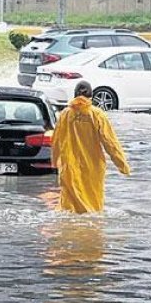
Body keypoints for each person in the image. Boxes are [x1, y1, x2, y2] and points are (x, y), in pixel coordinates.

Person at [50, 81, 131, 214]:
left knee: (69, 207)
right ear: (91, 96)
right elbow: (110, 142)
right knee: (93, 207)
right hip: (93, 168)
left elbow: (56, 141)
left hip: (69, 166)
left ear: (74, 95)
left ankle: (71, 233)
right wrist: (122, 165)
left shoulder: (65, 114)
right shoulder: (97, 115)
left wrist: (54, 162)